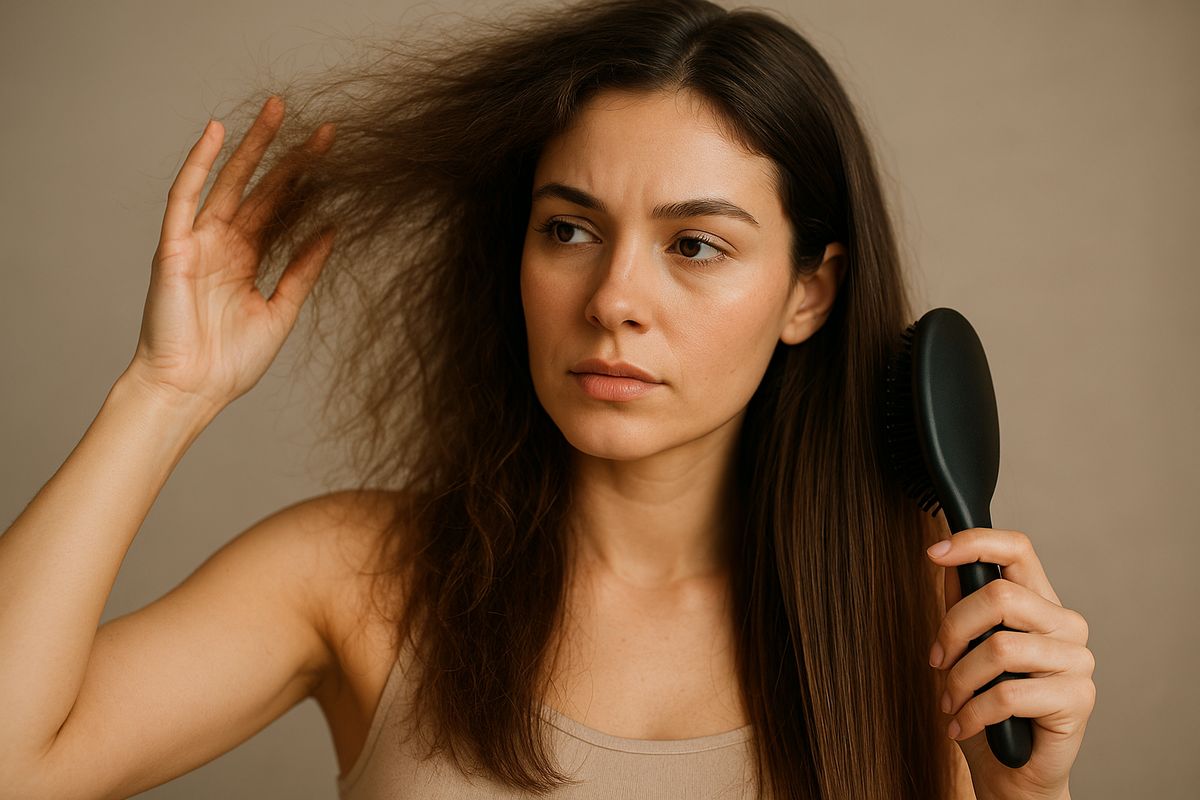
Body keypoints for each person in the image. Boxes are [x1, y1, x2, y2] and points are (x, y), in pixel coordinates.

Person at [0, 0, 1095, 797]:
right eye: (569, 228)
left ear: (810, 289)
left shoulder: (936, 626)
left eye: (696, 244)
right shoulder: (356, 575)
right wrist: (165, 390)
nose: (614, 297)